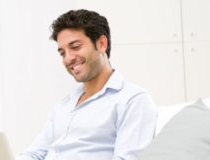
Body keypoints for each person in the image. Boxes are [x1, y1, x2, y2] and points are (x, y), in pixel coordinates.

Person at [15, 9, 157, 160]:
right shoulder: (64, 105)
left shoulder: (132, 100)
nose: (68, 58)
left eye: (75, 47)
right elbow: (35, 153)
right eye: (62, 53)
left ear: (102, 44)